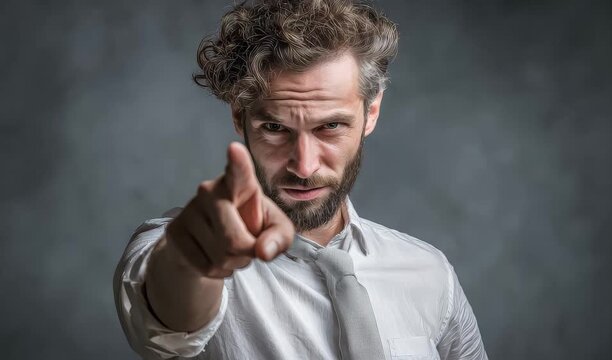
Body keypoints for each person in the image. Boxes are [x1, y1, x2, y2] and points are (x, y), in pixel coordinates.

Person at [114, 0, 488, 359]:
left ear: (371, 113)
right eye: (275, 128)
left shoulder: (430, 272)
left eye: (331, 126)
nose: (304, 167)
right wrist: (190, 263)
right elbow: (164, 325)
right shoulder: (178, 244)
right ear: (239, 116)